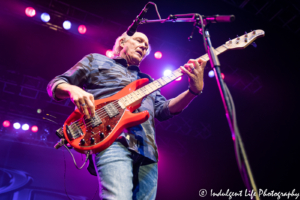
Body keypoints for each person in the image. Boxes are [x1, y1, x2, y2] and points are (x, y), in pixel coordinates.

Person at [47, 31, 206, 200]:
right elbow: (55, 85)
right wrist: (73, 89)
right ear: (122, 42)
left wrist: (193, 91)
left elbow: (164, 110)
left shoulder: (148, 80)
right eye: (139, 41)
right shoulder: (96, 60)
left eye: (146, 46)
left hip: (147, 151)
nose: (144, 46)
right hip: (112, 139)